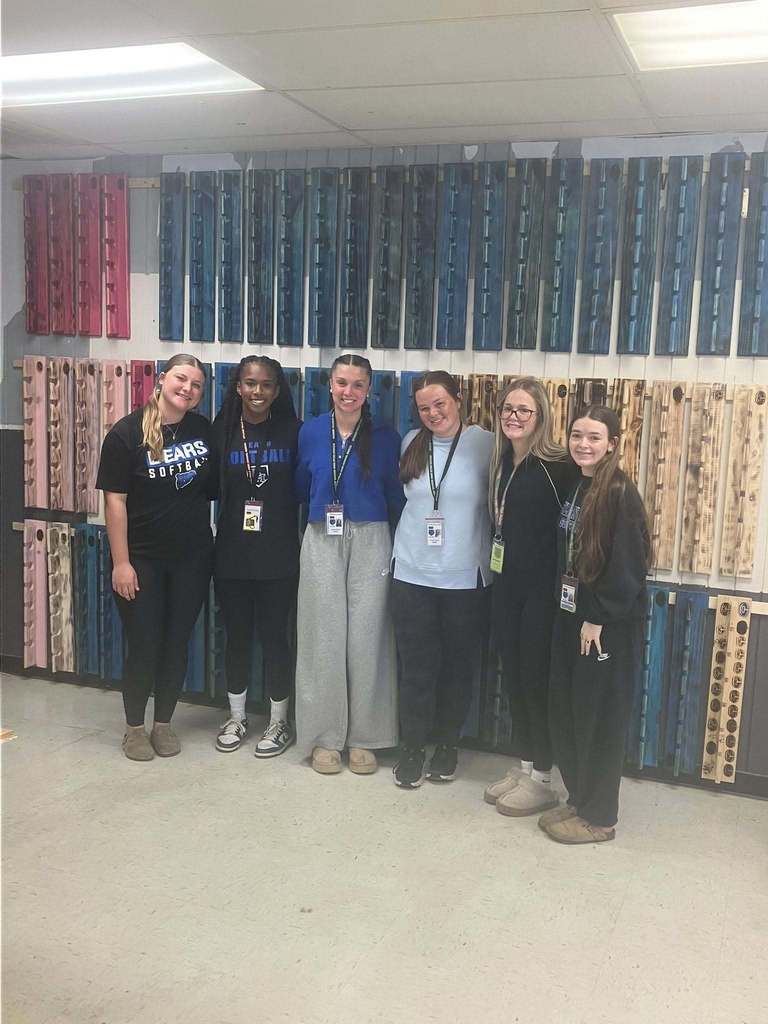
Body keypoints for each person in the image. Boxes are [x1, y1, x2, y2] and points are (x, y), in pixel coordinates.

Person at [96, 354, 212, 761]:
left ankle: (163, 724)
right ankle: (133, 729)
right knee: (144, 645)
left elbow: (211, 491)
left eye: (196, 385)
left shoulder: (203, 430)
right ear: (162, 380)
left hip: (192, 559)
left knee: (176, 643)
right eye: (182, 379)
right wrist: (121, 562)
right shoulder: (126, 434)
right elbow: (115, 503)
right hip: (141, 559)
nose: (188, 388)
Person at [543, 405, 650, 844]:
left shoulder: (618, 493)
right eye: (576, 435)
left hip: (602, 626)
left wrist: (598, 617)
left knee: (599, 719)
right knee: (570, 712)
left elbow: (629, 566)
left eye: (593, 437)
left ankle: (600, 817)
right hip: (570, 615)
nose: (583, 444)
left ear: (612, 444)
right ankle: (580, 798)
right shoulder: (577, 485)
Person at [294, 354, 404, 775]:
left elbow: (395, 495)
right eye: (342, 383)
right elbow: (301, 487)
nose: (348, 392)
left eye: (358, 385)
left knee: (369, 635)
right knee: (322, 635)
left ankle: (365, 736)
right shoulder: (310, 432)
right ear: (330, 385)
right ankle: (324, 737)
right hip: (323, 535)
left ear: (369, 390)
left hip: (373, 536)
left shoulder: (386, 437)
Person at [391, 371, 494, 788]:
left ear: (458, 398)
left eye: (440, 403)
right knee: (415, 667)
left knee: (457, 668)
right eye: (424, 407)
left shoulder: (485, 443)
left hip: (465, 577)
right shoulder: (410, 442)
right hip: (411, 573)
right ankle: (412, 748)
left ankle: (448, 745)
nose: (433, 413)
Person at [483, 377, 578, 816]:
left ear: (541, 417)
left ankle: (544, 778)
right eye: (507, 409)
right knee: (515, 678)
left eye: (524, 410)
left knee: (535, 684)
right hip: (507, 587)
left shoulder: (558, 465)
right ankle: (525, 767)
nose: (513, 417)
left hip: (542, 593)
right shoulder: (502, 460)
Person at [211, 356, 301, 757]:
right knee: (237, 638)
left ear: (278, 390)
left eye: (266, 384)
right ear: (238, 387)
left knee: (275, 639)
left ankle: (279, 722)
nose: (258, 391)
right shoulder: (223, 431)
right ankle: (237, 715)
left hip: (279, 556)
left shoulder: (294, 432)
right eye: (250, 383)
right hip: (231, 554)